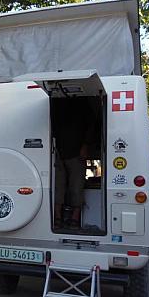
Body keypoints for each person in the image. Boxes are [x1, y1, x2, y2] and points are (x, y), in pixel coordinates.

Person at [51, 97, 97, 230]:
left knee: (76, 186)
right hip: (57, 151)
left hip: (77, 151)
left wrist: (86, 145)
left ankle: (74, 219)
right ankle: (57, 217)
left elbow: (91, 124)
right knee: (57, 186)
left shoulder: (81, 101)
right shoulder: (55, 101)